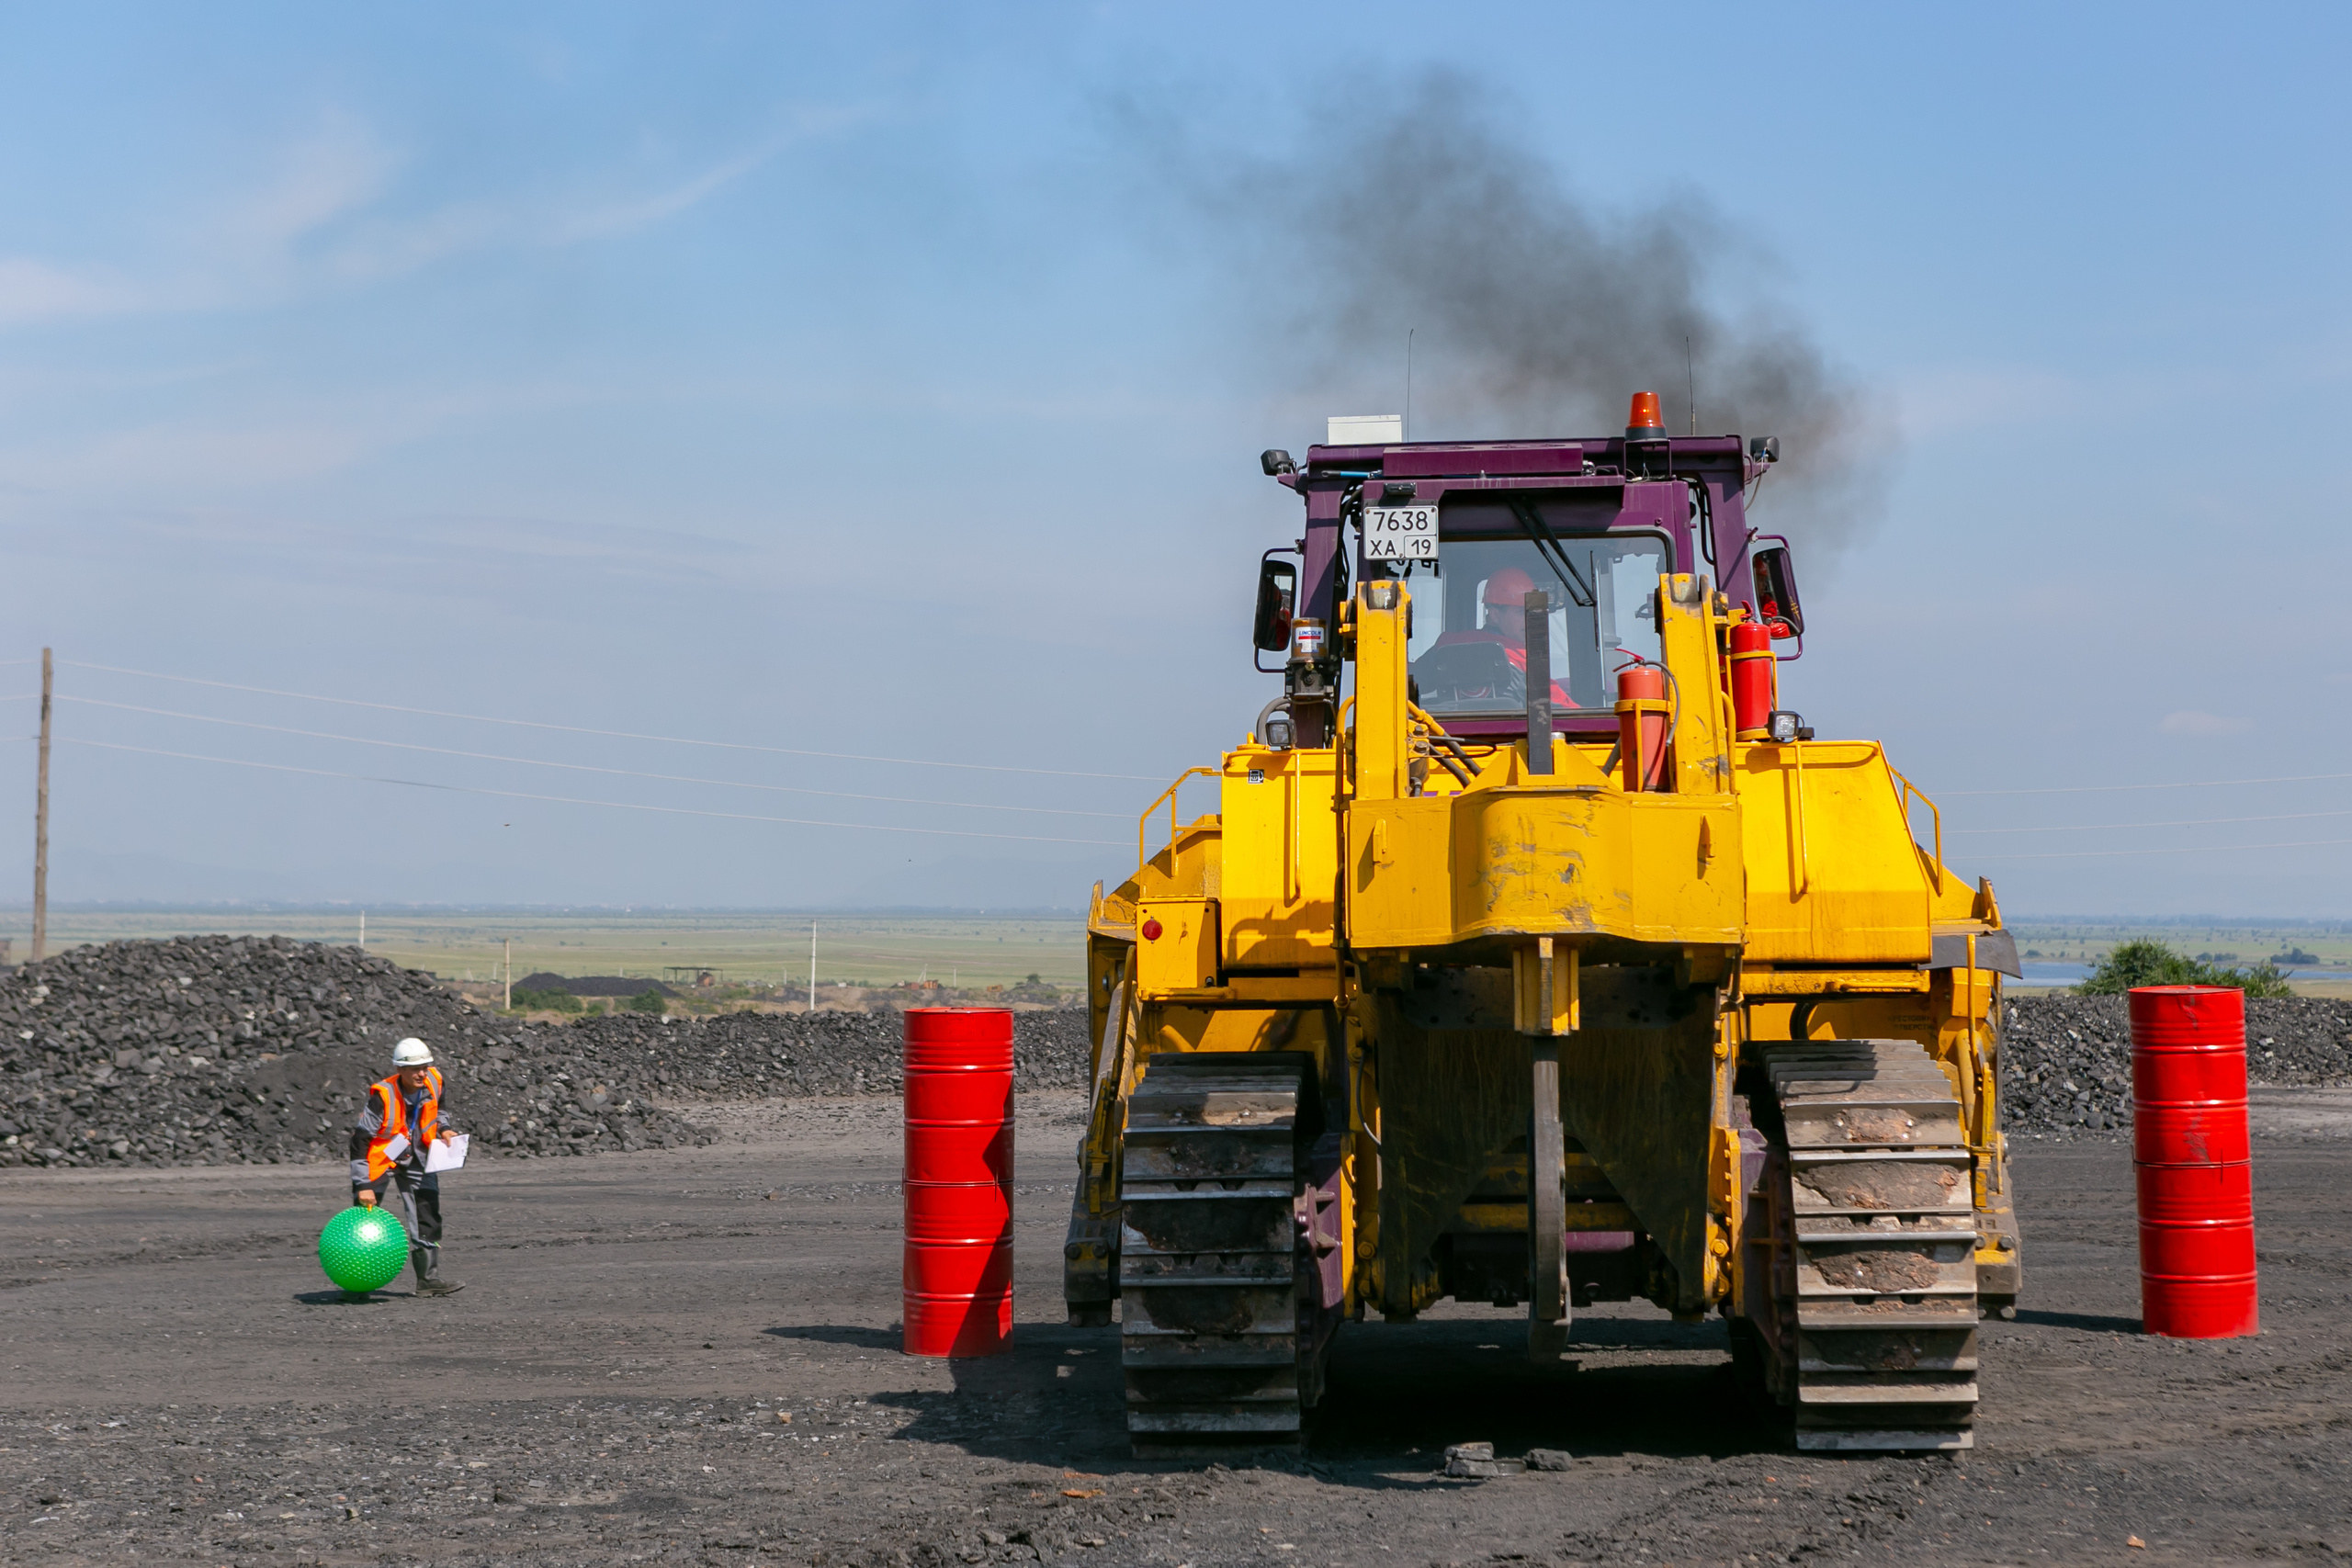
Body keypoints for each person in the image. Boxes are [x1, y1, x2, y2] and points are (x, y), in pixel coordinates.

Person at [349, 1036, 465, 1296]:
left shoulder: (435, 1081)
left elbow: (440, 1110)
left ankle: (428, 1280)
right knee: (363, 1219)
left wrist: (445, 1129)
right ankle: (356, 1282)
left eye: (425, 1067)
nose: (422, 1073)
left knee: (427, 1212)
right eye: (415, 1069)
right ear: (399, 1070)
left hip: (419, 1156)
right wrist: (362, 1184)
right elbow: (359, 1140)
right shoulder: (382, 1096)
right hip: (381, 1158)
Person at [1425, 564, 1576, 707]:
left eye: (1532, 611)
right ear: (1495, 615)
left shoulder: (1445, 645)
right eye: (1519, 612)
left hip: (1442, 733)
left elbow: (1408, 680)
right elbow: (1569, 711)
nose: (1529, 619)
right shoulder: (1521, 659)